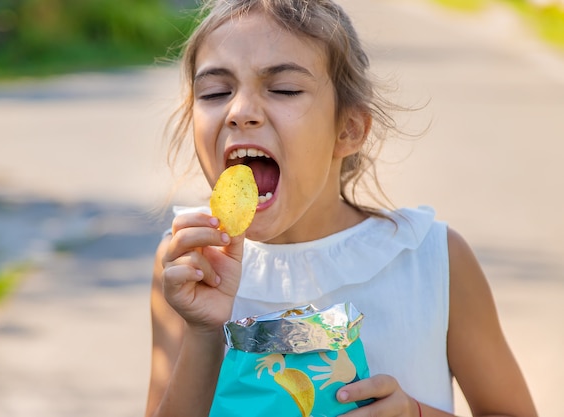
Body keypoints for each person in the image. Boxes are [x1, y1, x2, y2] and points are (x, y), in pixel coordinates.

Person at [146, 0, 538, 416]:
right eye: (215, 92)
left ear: (348, 129)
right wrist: (204, 333)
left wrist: (416, 414)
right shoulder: (189, 266)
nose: (240, 112)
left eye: (284, 89)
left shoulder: (430, 259)